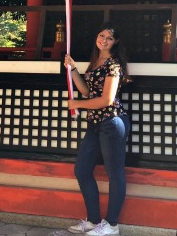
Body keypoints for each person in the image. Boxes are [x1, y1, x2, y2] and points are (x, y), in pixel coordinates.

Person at [64, 23, 130, 236]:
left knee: (114, 173)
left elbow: (106, 100)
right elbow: (86, 90)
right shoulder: (95, 63)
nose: (104, 40)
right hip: (95, 123)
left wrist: (77, 106)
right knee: (82, 170)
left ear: (115, 42)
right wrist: (72, 69)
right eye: (101, 35)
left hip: (112, 122)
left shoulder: (114, 65)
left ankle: (111, 224)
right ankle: (93, 221)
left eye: (109, 38)